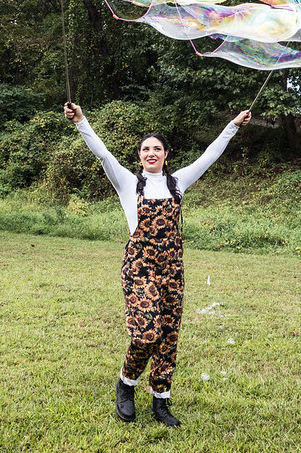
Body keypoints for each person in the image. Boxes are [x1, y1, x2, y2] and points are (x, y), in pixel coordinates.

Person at [63, 102, 251, 427]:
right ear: (139, 156)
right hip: (139, 268)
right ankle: (126, 382)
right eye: (146, 149)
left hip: (173, 271)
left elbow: (210, 155)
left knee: (168, 337)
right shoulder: (127, 183)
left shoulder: (177, 182)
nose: (151, 153)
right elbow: (103, 154)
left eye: (157, 149)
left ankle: (160, 402)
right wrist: (80, 120)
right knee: (147, 334)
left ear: (166, 155)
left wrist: (233, 125)